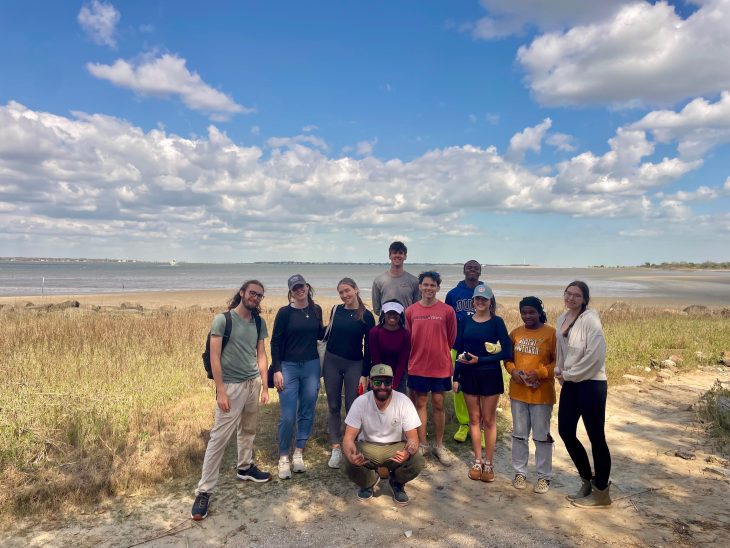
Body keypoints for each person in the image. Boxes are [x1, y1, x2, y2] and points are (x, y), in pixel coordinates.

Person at [191, 280, 271, 521]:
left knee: (248, 429)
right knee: (219, 438)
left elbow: (261, 354)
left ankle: (245, 467)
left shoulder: (258, 322)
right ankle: (204, 491)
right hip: (231, 387)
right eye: (252, 293)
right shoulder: (222, 320)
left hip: (252, 384)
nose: (255, 298)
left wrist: (265, 386)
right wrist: (221, 390)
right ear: (242, 293)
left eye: (259, 295)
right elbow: (215, 357)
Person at [556, 281, 612, 508]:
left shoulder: (591, 320)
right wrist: (559, 371)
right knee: (565, 431)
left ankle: (601, 493)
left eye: (576, 295)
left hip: (591, 384)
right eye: (568, 294)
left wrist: (570, 375)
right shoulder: (562, 318)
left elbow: (595, 356)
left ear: (584, 299)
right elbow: (561, 350)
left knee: (596, 436)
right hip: (571, 382)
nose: (571, 298)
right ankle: (586, 480)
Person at [452, 283, 511, 482]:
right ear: (473, 300)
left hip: (490, 375)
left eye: (484, 299)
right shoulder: (465, 322)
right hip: (468, 375)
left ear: (490, 301)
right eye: (477, 299)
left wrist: (482, 360)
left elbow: (507, 352)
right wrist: (456, 377)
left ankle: (489, 463)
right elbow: (459, 350)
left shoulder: (497, 322)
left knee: (489, 420)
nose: (480, 302)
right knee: (474, 420)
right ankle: (477, 461)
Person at [342, 364, 425, 506]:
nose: (382, 386)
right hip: (368, 448)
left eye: (387, 382)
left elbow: (413, 439)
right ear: (370, 383)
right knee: (346, 461)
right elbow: (348, 438)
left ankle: (397, 482)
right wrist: (351, 454)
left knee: (417, 459)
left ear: (392, 383)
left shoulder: (403, 401)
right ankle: (368, 481)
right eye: (377, 382)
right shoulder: (360, 402)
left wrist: (408, 451)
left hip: (395, 448)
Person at [270, 274, 324, 479]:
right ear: (290, 292)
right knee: (287, 415)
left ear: (307, 287)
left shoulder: (316, 309)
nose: (299, 290)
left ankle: (298, 452)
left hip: (311, 366)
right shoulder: (284, 313)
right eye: (295, 288)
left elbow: (320, 335)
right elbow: (275, 342)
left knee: (307, 409)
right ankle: (284, 457)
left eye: (301, 286)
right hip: (288, 367)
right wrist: (277, 369)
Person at [504, 296, 557, 494]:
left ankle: (544, 477)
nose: (527, 316)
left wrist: (540, 373)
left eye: (531, 312)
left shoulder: (551, 334)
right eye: (524, 312)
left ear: (539, 312)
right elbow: (507, 360)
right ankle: (520, 472)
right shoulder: (515, 334)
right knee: (519, 435)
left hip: (542, 395)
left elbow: (558, 363)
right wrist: (513, 371)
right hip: (518, 393)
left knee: (542, 436)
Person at [405, 271, 457, 465]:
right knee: (420, 403)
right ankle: (423, 445)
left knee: (438, 403)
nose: (428, 288)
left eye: (432, 285)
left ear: (438, 288)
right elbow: (408, 337)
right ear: (419, 286)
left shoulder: (447, 311)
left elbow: (451, 338)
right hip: (417, 365)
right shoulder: (411, 311)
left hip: (440, 365)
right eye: (425, 285)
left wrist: (439, 350)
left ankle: (439, 445)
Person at [323, 277, 376, 469]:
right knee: (334, 405)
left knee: (353, 406)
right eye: (341, 292)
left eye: (347, 291)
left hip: (355, 364)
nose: (345, 295)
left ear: (356, 289)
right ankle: (336, 447)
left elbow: (369, 348)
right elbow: (326, 334)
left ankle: (352, 444)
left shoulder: (366, 316)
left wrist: (365, 373)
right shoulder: (336, 310)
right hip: (331, 362)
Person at [445, 259, 484, 444]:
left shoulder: (486, 292)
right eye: (469, 268)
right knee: (458, 386)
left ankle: (482, 426)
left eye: (476, 268)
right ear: (464, 270)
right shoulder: (454, 294)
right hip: (459, 345)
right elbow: (447, 320)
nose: (472, 270)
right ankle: (464, 423)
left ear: (480, 272)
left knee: (481, 387)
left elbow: (491, 317)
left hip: (481, 348)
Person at [368, 299, 411, 393]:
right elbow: (376, 358)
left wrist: (394, 383)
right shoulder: (375, 332)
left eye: (395, 313)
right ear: (383, 314)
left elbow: (403, 360)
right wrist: (383, 380)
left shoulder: (405, 334)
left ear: (400, 315)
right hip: (378, 373)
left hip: (398, 375)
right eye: (389, 313)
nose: (392, 315)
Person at [371, 241, 420, 315]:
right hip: (385, 325)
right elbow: (376, 309)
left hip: (406, 326)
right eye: (394, 253)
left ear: (405, 256)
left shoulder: (414, 281)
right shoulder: (378, 281)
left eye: (400, 253)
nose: (397, 255)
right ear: (389, 256)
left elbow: (417, 307)